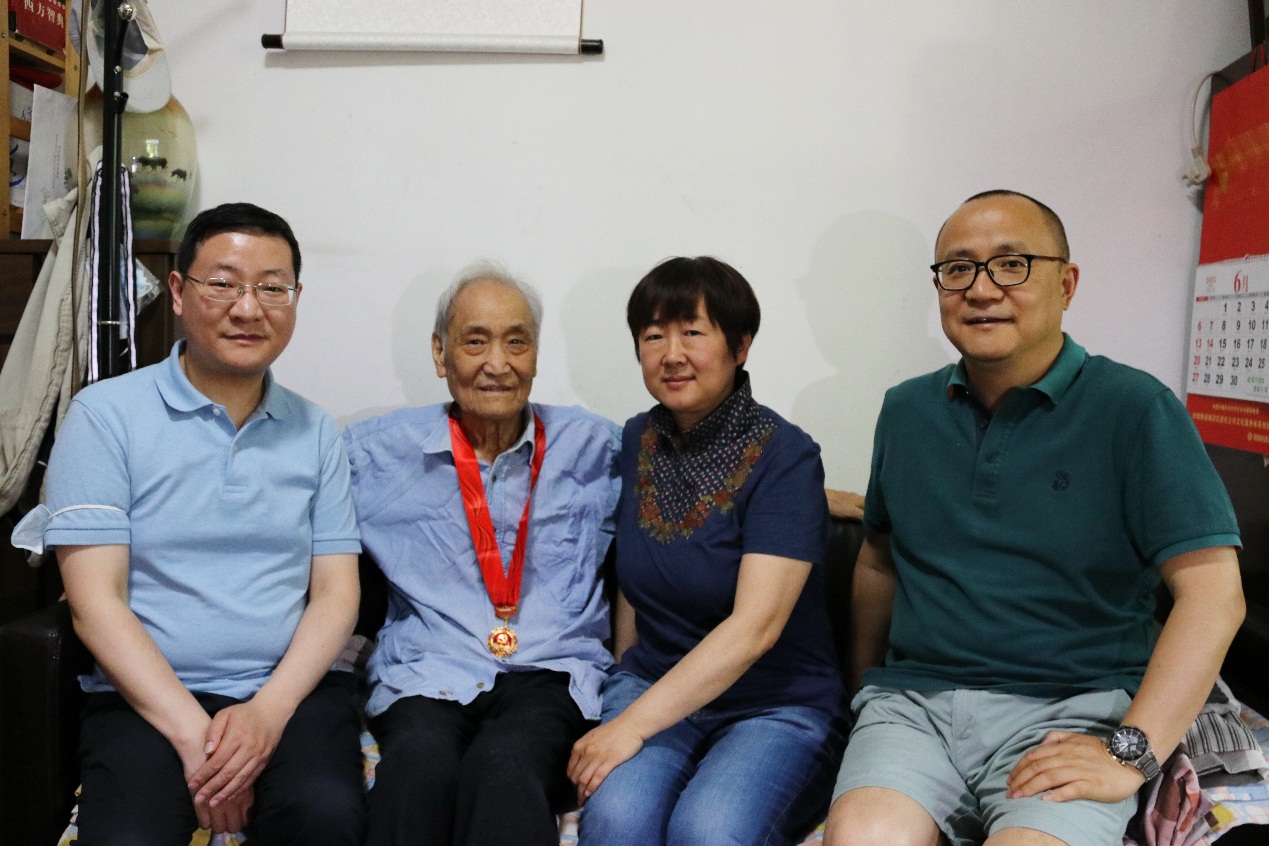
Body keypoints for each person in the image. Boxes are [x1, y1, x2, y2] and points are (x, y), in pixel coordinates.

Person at [824, 190, 1245, 846]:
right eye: (958, 268)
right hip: (913, 708)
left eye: (1011, 264)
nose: (980, 289)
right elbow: (878, 560)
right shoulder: (906, 411)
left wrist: (1128, 755)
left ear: (1066, 283)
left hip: (1072, 712)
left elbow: (1213, 596)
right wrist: (862, 694)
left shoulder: (1134, 408)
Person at [12, 203, 366, 844]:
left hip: (286, 693)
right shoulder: (105, 416)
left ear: (295, 298)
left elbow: (337, 593)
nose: (248, 308)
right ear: (178, 291)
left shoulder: (315, 430)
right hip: (144, 695)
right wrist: (200, 744)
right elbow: (95, 603)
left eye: (272, 288)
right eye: (223, 283)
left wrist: (266, 714)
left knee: (326, 815)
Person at [571, 256, 845, 846]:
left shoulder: (785, 456)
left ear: (740, 345)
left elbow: (755, 629)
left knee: (709, 831)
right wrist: (625, 676)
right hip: (654, 682)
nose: (672, 354)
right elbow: (636, 571)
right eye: (654, 336)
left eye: (693, 332)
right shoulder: (636, 439)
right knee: (618, 821)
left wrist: (630, 728)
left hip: (774, 703)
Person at [344, 264, 621, 846]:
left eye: (516, 342)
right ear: (440, 353)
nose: (498, 364)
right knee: (416, 768)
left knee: (504, 767)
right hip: (429, 673)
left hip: (551, 673)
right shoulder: (373, 455)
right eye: (475, 342)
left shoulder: (597, 449)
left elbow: (686, 504)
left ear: (536, 354)